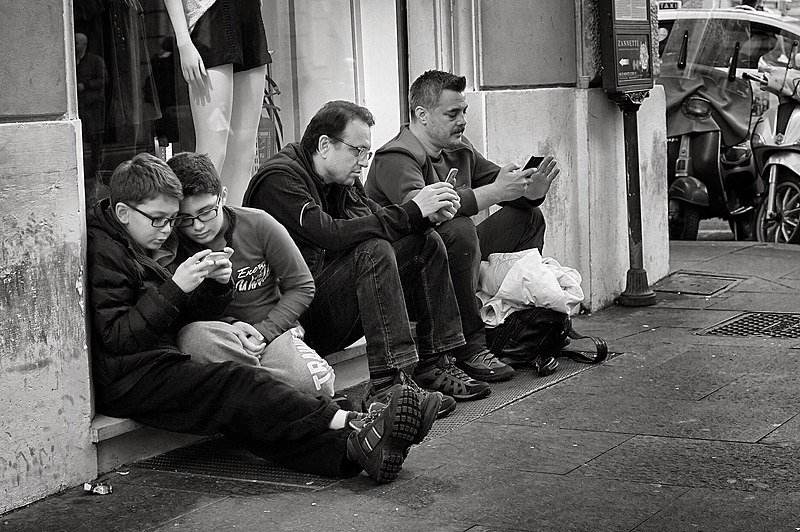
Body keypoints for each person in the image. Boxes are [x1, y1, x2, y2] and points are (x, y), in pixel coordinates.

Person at [86, 152, 440, 483]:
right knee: (240, 386)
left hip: (166, 359)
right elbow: (118, 337)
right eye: (161, 220)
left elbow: (299, 286)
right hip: (131, 377)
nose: (169, 229)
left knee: (247, 412)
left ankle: (351, 452)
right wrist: (177, 288)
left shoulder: (150, 238)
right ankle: (355, 421)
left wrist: (216, 289)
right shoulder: (109, 250)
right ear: (122, 212)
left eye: (171, 219)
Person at [244, 100, 494, 418]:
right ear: (324, 145)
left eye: (367, 153)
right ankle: (388, 386)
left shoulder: (341, 180)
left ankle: (436, 364)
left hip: (328, 303)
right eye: (357, 151)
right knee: (372, 252)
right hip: (292, 324)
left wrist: (424, 216)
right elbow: (330, 234)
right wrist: (412, 210)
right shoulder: (279, 180)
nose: (363, 162)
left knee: (425, 241)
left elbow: (377, 220)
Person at [366, 70, 562, 372]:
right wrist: (496, 191)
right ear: (422, 114)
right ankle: (469, 347)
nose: (462, 120)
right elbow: (426, 212)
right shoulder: (395, 157)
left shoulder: (458, 147)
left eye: (464, 111)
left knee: (528, 218)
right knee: (458, 229)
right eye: (452, 113)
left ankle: (511, 325)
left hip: (454, 261)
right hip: (407, 276)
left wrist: (530, 191)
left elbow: (501, 187)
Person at [166, 151, 335, 397]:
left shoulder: (259, 224)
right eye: (185, 218)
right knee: (193, 339)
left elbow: (302, 285)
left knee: (318, 385)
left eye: (206, 212)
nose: (198, 226)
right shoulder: (172, 245)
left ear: (222, 196)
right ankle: (282, 398)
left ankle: (259, 395)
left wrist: (266, 331)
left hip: (271, 334)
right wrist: (233, 327)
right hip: (221, 341)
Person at [163, 0, 269, 205]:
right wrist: (183, 40)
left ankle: (231, 228)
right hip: (210, 16)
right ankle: (195, 227)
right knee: (212, 151)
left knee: (244, 151)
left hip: (249, 16)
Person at [75, 32, 107, 204]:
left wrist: (85, 85)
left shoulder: (95, 61)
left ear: (84, 44)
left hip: (93, 107)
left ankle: (94, 173)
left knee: (95, 140)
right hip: (79, 108)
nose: (74, 45)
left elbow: (103, 80)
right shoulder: (72, 61)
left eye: (76, 42)